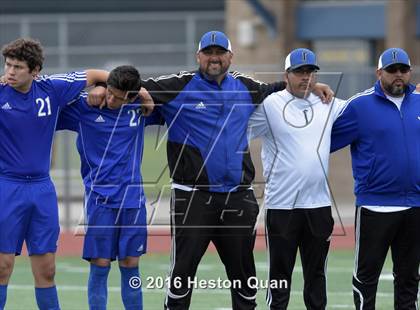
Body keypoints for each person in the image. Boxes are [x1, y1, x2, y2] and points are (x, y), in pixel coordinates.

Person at [89, 30, 334, 310]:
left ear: (230, 57)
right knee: (182, 275)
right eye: (208, 53)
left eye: (220, 53)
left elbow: (281, 87)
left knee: (244, 279)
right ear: (198, 56)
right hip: (193, 198)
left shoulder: (246, 87)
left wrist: (311, 86)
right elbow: (130, 85)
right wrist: (101, 87)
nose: (214, 58)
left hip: (237, 198)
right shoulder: (177, 86)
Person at [0, 38, 111, 310]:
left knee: (47, 270)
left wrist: (101, 87)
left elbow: (102, 75)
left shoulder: (52, 88)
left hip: (42, 190)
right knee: (3, 267)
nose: (10, 71)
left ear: (35, 70)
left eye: (18, 67)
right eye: (8, 64)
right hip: (6, 187)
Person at [247, 48, 345, 310]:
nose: (306, 77)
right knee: (279, 279)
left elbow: (364, 111)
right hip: (282, 207)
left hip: (319, 206)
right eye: (299, 72)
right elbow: (237, 129)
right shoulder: (270, 105)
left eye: (311, 72)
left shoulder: (329, 103)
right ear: (286, 75)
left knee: (316, 279)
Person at [56, 65, 158, 310]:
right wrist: (97, 86)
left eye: (118, 97)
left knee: (130, 264)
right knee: (100, 265)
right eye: (109, 92)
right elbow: (47, 108)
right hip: (100, 201)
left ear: (132, 97)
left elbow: (167, 102)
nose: (110, 99)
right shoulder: (85, 107)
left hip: (133, 202)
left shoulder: (138, 108)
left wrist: (145, 95)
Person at [331, 48, 420, 310]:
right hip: (375, 206)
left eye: (403, 70)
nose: (398, 75)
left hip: (415, 206)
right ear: (379, 72)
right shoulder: (359, 106)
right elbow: (322, 142)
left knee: (409, 280)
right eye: (392, 70)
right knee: (366, 279)